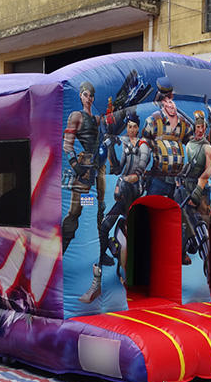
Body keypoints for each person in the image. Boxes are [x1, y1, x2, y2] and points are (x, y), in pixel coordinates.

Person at [61, 81, 108, 303]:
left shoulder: (97, 119)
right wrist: (76, 166)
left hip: (99, 168)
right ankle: (59, 258)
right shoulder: (76, 116)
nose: (89, 98)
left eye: (91, 95)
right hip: (85, 167)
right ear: (81, 96)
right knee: (74, 213)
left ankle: (98, 276)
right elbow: (67, 144)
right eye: (86, 95)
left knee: (101, 215)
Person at [98, 112, 151, 284]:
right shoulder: (126, 144)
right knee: (105, 226)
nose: (131, 130)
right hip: (124, 194)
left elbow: (138, 173)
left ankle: (131, 269)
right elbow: (118, 168)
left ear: (138, 128)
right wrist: (110, 148)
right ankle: (105, 254)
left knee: (133, 235)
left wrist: (122, 181)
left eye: (134, 127)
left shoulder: (144, 146)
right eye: (129, 127)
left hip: (134, 194)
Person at [178, 110, 211, 273]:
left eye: (202, 127)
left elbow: (207, 172)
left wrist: (197, 192)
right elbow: (187, 166)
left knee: (200, 224)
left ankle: (209, 261)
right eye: (198, 127)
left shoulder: (208, 148)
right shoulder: (189, 145)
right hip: (185, 188)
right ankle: (183, 252)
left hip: (200, 192)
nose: (200, 130)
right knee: (184, 224)